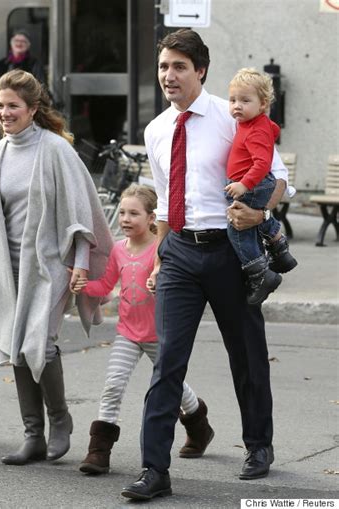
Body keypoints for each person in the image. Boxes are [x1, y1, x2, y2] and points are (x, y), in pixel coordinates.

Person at [121, 29, 289, 501]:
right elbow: (163, 207)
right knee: (167, 362)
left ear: (200, 71)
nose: (168, 76)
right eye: (163, 67)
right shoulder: (156, 130)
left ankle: (258, 445)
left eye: (178, 66)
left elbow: (280, 178)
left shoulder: (232, 115)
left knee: (247, 353)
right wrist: (157, 258)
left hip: (230, 252)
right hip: (178, 255)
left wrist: (260, 212)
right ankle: (155, 468)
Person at [0, 69, 112, 466]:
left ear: (32, 109)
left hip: (51, 265)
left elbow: (81, 216)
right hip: (10, 269)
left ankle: (60, 420)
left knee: (39, 344)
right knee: (18, 349)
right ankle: (34, 436)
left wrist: (80, 265)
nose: (5, 113)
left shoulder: (56, 149)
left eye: (13, 106)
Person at [74, 184, 214, 475]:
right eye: (122, 212)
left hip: (159, 334)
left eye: (133, 213)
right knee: (113, 385)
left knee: (173, 386)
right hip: (127, 333)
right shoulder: (118, 250)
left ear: (152, 218)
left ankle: (200, 427)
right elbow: (106, 286)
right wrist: (83, 284)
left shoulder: (161, 249)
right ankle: (98, 450)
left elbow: (178, 287)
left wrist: (158, 283)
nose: (125, 218)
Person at [225, 67, 297, 305]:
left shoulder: (254, 130)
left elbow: (262, 162)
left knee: (238, 230)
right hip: (252, 183)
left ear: (263, 104)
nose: (237, 106)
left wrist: (243, 185)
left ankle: (261, 275)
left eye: (245, 101)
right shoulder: (256, 124)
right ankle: (280, 250)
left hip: (251, 184)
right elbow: (273, 130)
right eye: (233, 100)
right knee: (253, 221)